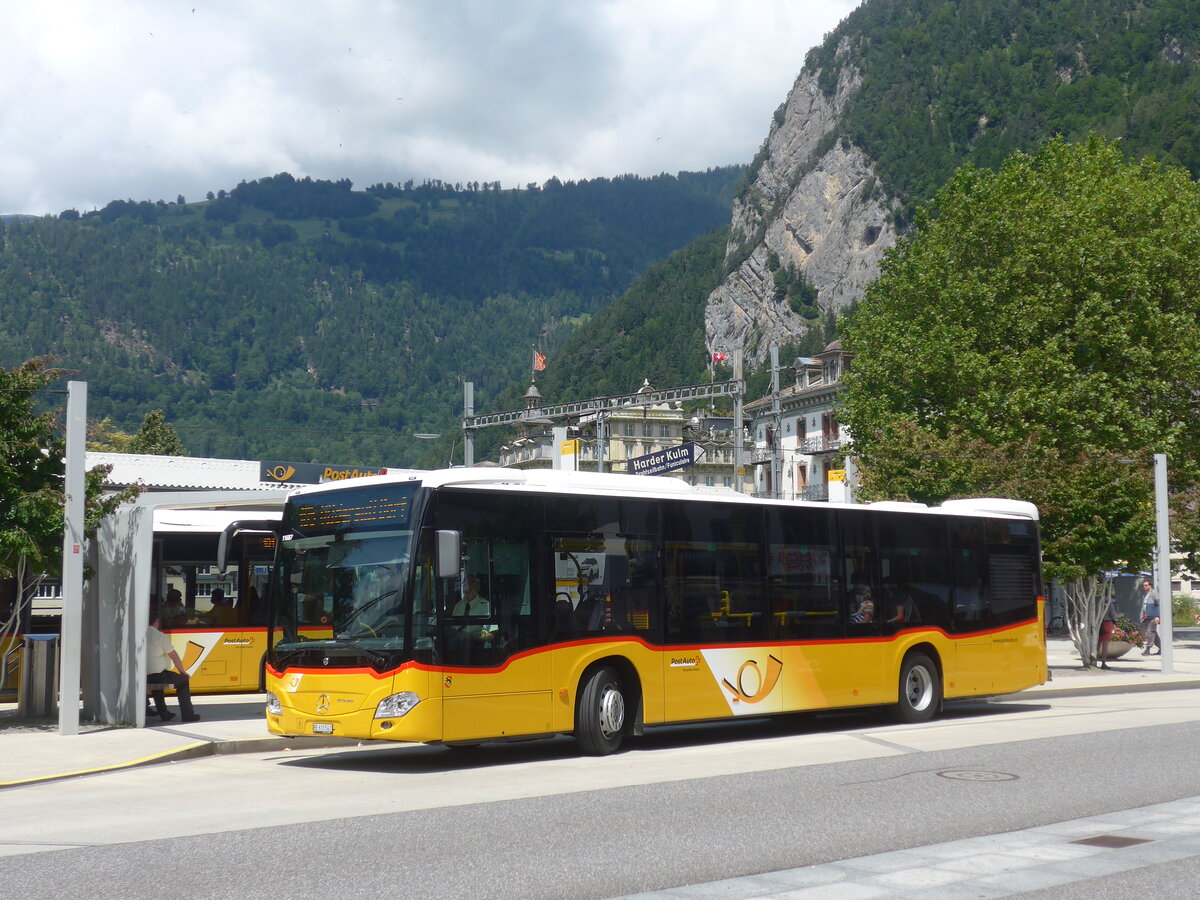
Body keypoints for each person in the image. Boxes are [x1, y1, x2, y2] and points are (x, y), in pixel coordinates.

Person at [146, 607, 200, 723]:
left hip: (143, 678)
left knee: (156, 684)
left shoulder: (138, 635)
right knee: (183, 681)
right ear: (156, 622)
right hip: (158, 676)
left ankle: (164, 713)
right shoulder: (159, 636)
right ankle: (188, 716)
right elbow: (174, 656)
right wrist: (182, 672)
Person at [451, 575, 495, 643]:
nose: (468, 588)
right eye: (465, 585)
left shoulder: (486, 606)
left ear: (478, 587)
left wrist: (470, 636)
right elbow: (451, 630)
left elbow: (490, 635)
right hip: (456, 646)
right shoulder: (458, 606)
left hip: (477, 646)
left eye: (471, 584)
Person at [1140, 579, 1162, 655]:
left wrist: (1158, 616)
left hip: (1154, 617)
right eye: (1143, 585)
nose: (1144, 587)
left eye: (1146, 585)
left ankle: (1148, 649)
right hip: (1148, 616)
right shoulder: (1146, 594)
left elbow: (1159, 604)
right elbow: (1145, 606)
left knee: (1150, 632)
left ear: (1150, 585)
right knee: (1153, 633)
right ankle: (1162, 648)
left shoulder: (1154, 593)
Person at [1097, 597, 1117, 669]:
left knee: (1097, 643)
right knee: (1105, 644)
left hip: (1098, 623)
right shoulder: (1109, 603)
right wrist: (1115, 621)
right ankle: (1103, 662)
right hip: (1108, 623)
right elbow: (1113, 614)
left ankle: (1094, 660)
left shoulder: (1096, 602)